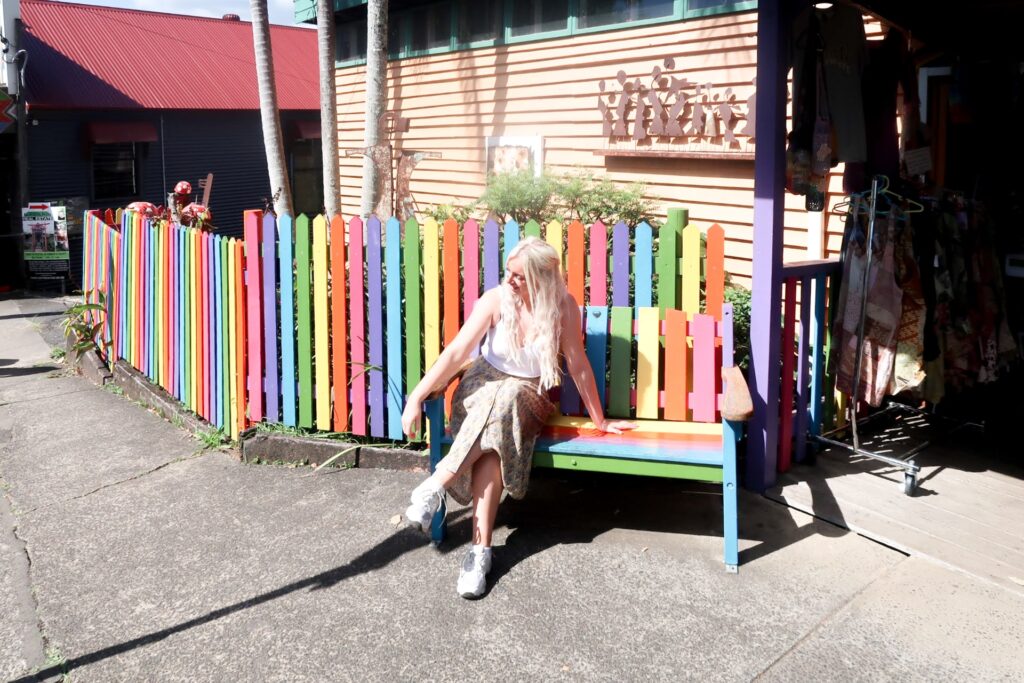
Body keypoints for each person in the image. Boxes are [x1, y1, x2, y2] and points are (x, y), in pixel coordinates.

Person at [400, 236, 636, 599]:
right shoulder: (496, 300)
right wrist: (417, 395)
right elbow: (458, 350)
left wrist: (599, 420)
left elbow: (577, 364)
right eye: (508, 273)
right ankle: (479, 554)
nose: (508, 281)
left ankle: (436, 486)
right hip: (481, 386)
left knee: (507, 398)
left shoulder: (562, 307)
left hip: (529, 392)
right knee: (495, 432)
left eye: (518, 276)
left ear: (542, 278)